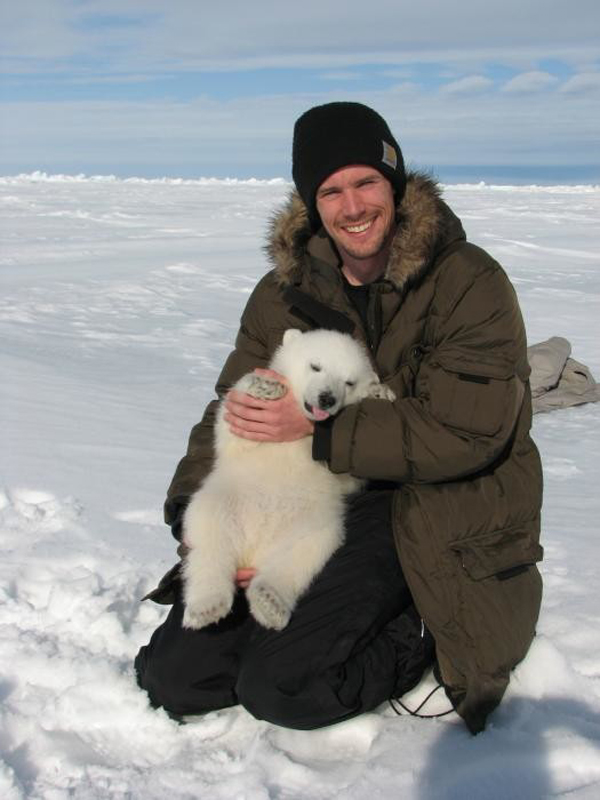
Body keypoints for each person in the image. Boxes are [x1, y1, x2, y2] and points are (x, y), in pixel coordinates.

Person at [135, 102, 543, 735]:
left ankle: (418, 627)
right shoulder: (284, 290)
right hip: (304, 491)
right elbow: (233, 407)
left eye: (366, 182)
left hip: (424, 504)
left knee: (285, 688)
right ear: (312, 203)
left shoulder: (468, 282)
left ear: (396, 184)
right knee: (178, 679)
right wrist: (198, 514)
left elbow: (468, 433)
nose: (352, 206)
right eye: (331, 190)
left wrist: (320, 432)